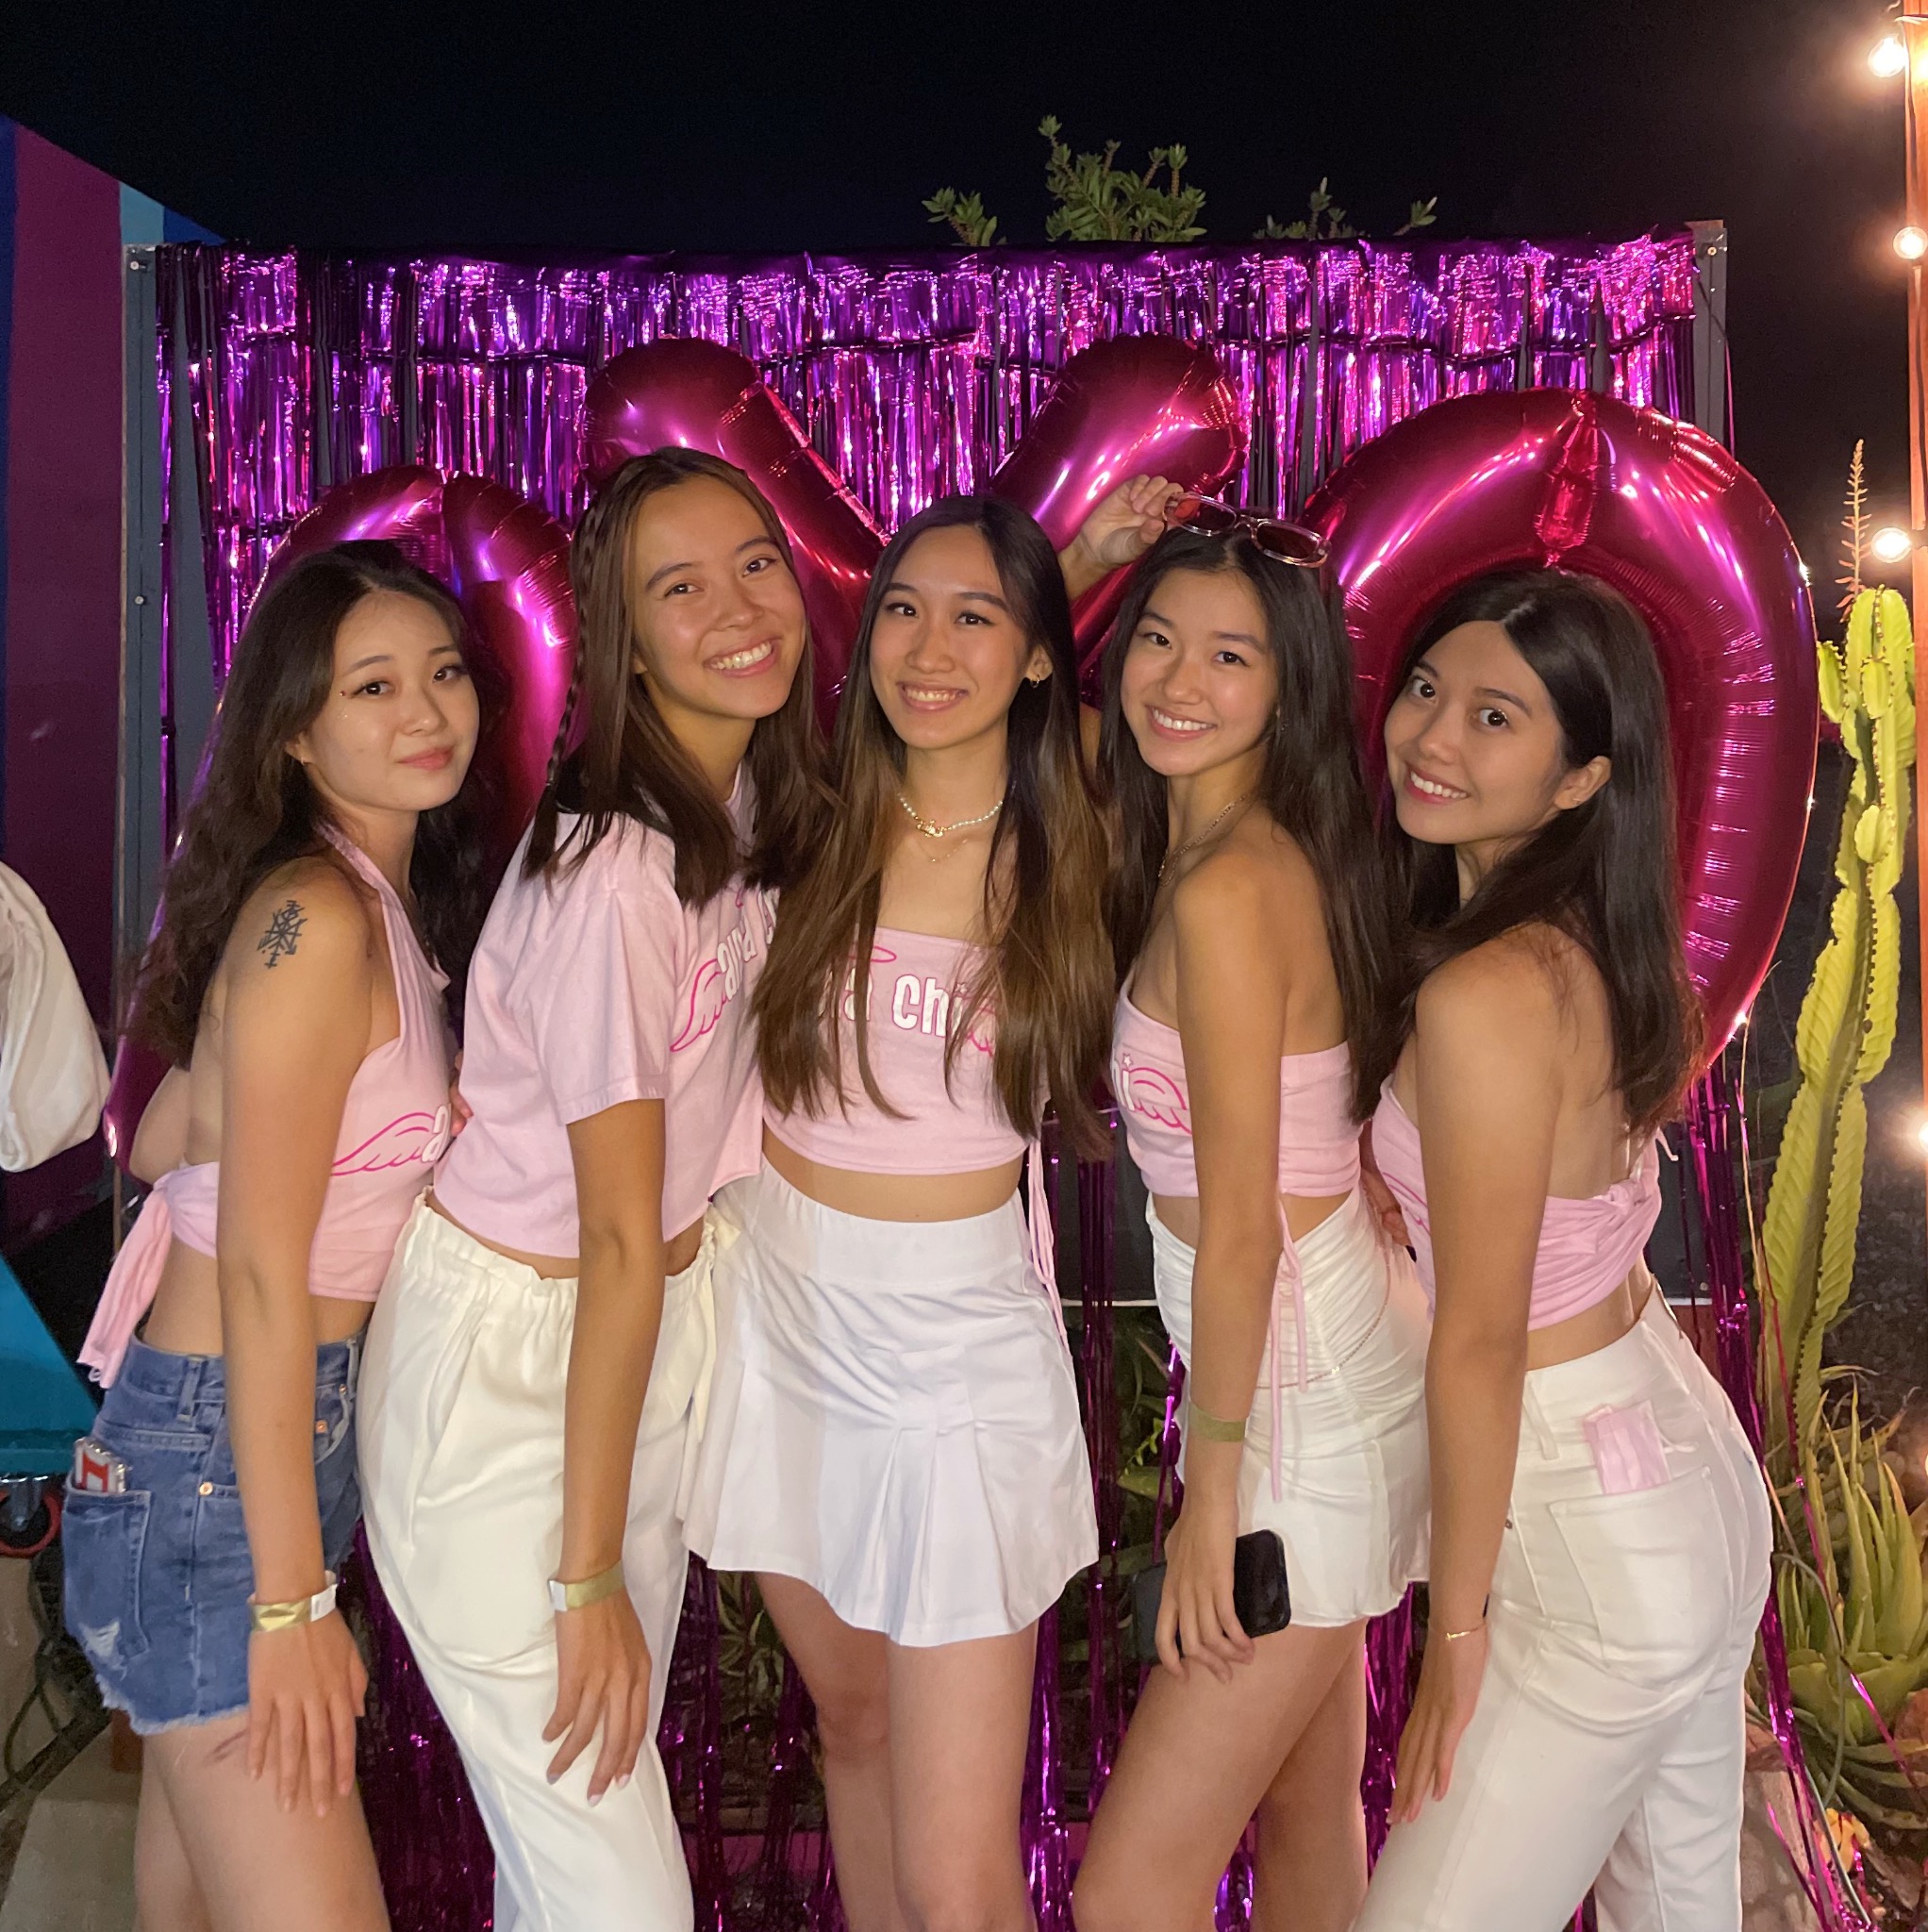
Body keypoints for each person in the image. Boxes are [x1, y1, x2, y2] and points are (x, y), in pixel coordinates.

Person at [355, 447, 823, 1932]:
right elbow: (618, 1233)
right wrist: (582, 1580)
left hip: (633, 1357)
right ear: (622, 640)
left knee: (563, 1879)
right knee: (621, 1899)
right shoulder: (618, 869)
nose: (737, 607)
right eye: (679, 587)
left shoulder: (745, 809)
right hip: (512, 1378)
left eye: (756, 561)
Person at [684, 495, 1112, 1932]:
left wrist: (1079, 573)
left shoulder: (1082, 837)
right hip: (779, 1313)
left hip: (956, 1356)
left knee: (955, 1874)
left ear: (1040, 654)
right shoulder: (803, 815)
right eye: (904, 612)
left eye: (976, 619)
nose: (927, 649)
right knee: (853, 1724)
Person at [64, 542, 486, 1932]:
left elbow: (157, 1136)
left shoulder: (350, 907)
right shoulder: (315, 916)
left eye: (443, 673)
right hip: (218, 1465)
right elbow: (257, 1268)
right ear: (296, 731)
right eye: (373, 686)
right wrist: (294, 1604)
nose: (424, 710)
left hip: (234, 1446)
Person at [1353, 571, 1771, 1931]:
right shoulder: (1592, 948)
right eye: (1428, 690)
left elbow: (1480, 1344)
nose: (1434, 737)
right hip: (1680, 1470)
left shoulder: (1487, 991)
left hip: (1594, 1528)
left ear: (1585, 776)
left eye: (1495, 718)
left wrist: (1453, 1637)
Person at [1069, 522, 1429, 1932]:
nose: (1180, 681)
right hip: (1315, 1346)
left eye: (1231, 656)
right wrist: (1080, 560)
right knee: (1306, 1807)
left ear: (1290, 687)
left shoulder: (1228, 888)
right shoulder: (1231, 845)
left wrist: (1209, 1496)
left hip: (1294, 1390)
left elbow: (1238, 1233)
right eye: (1158, 639)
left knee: (1129, 1891)